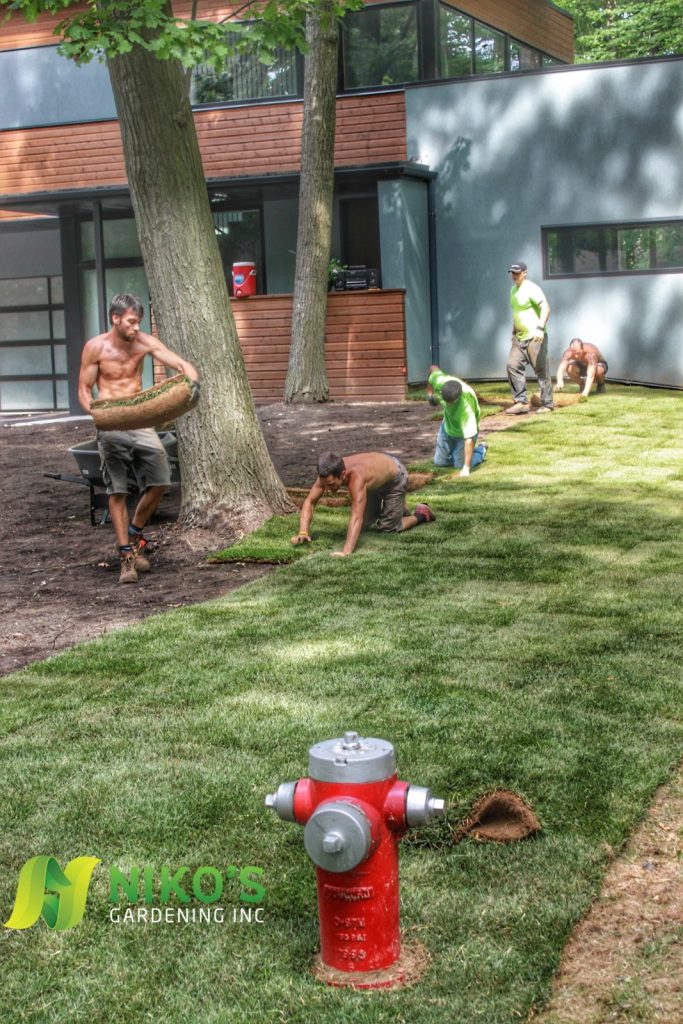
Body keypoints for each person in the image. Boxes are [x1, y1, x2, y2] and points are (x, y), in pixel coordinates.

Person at [78, 293, 199, 585]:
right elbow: (84, 388)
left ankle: (134, 535)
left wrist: (192, 378)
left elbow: (178, 362)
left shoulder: (143, 342)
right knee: (117, 491)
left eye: (139, 322)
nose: (136, 327)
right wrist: (97, 414)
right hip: (112, 421)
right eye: (132, 322)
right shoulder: (95, 348)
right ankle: (126, 556)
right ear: (115, 318)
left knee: (160, 481)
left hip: (141, 420)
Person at [291, 451, 435, 557]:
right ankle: (397, 509)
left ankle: (422, 513)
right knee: (366, 523)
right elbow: (309, 501)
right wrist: (303, 532)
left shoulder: (357, 478)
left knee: (388, 526)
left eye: (330, 484)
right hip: (375, 482)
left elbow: (356, 516)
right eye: (324, 484)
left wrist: (346, 551)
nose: (327, 489)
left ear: (342, 475)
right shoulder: (327, 472)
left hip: (395, 479)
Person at [505, 261, 553, 415]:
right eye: (512, 273)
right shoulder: (513, 290)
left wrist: (540, 329)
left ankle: (548, 403)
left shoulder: (532, 288)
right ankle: (521, 402)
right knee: (512, 365)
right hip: (519, 338)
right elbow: (517, 313)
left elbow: (545, 307)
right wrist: (514, 331)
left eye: (517, 273)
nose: (514, 276)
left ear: (525, 273)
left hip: (535, 336)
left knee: (541, 369)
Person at [427, 365, 488, 477]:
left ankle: (481, 450)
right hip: (448, 426)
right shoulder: (440, 381)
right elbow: (432, 368)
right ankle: (455, 454)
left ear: (457, 399)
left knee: (459, 464)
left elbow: (468, 439)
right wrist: (430, 395)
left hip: (463, 432)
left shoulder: (466, 410)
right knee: (439, 463)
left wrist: (466, 468)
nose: (447, 404)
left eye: (450, 402)